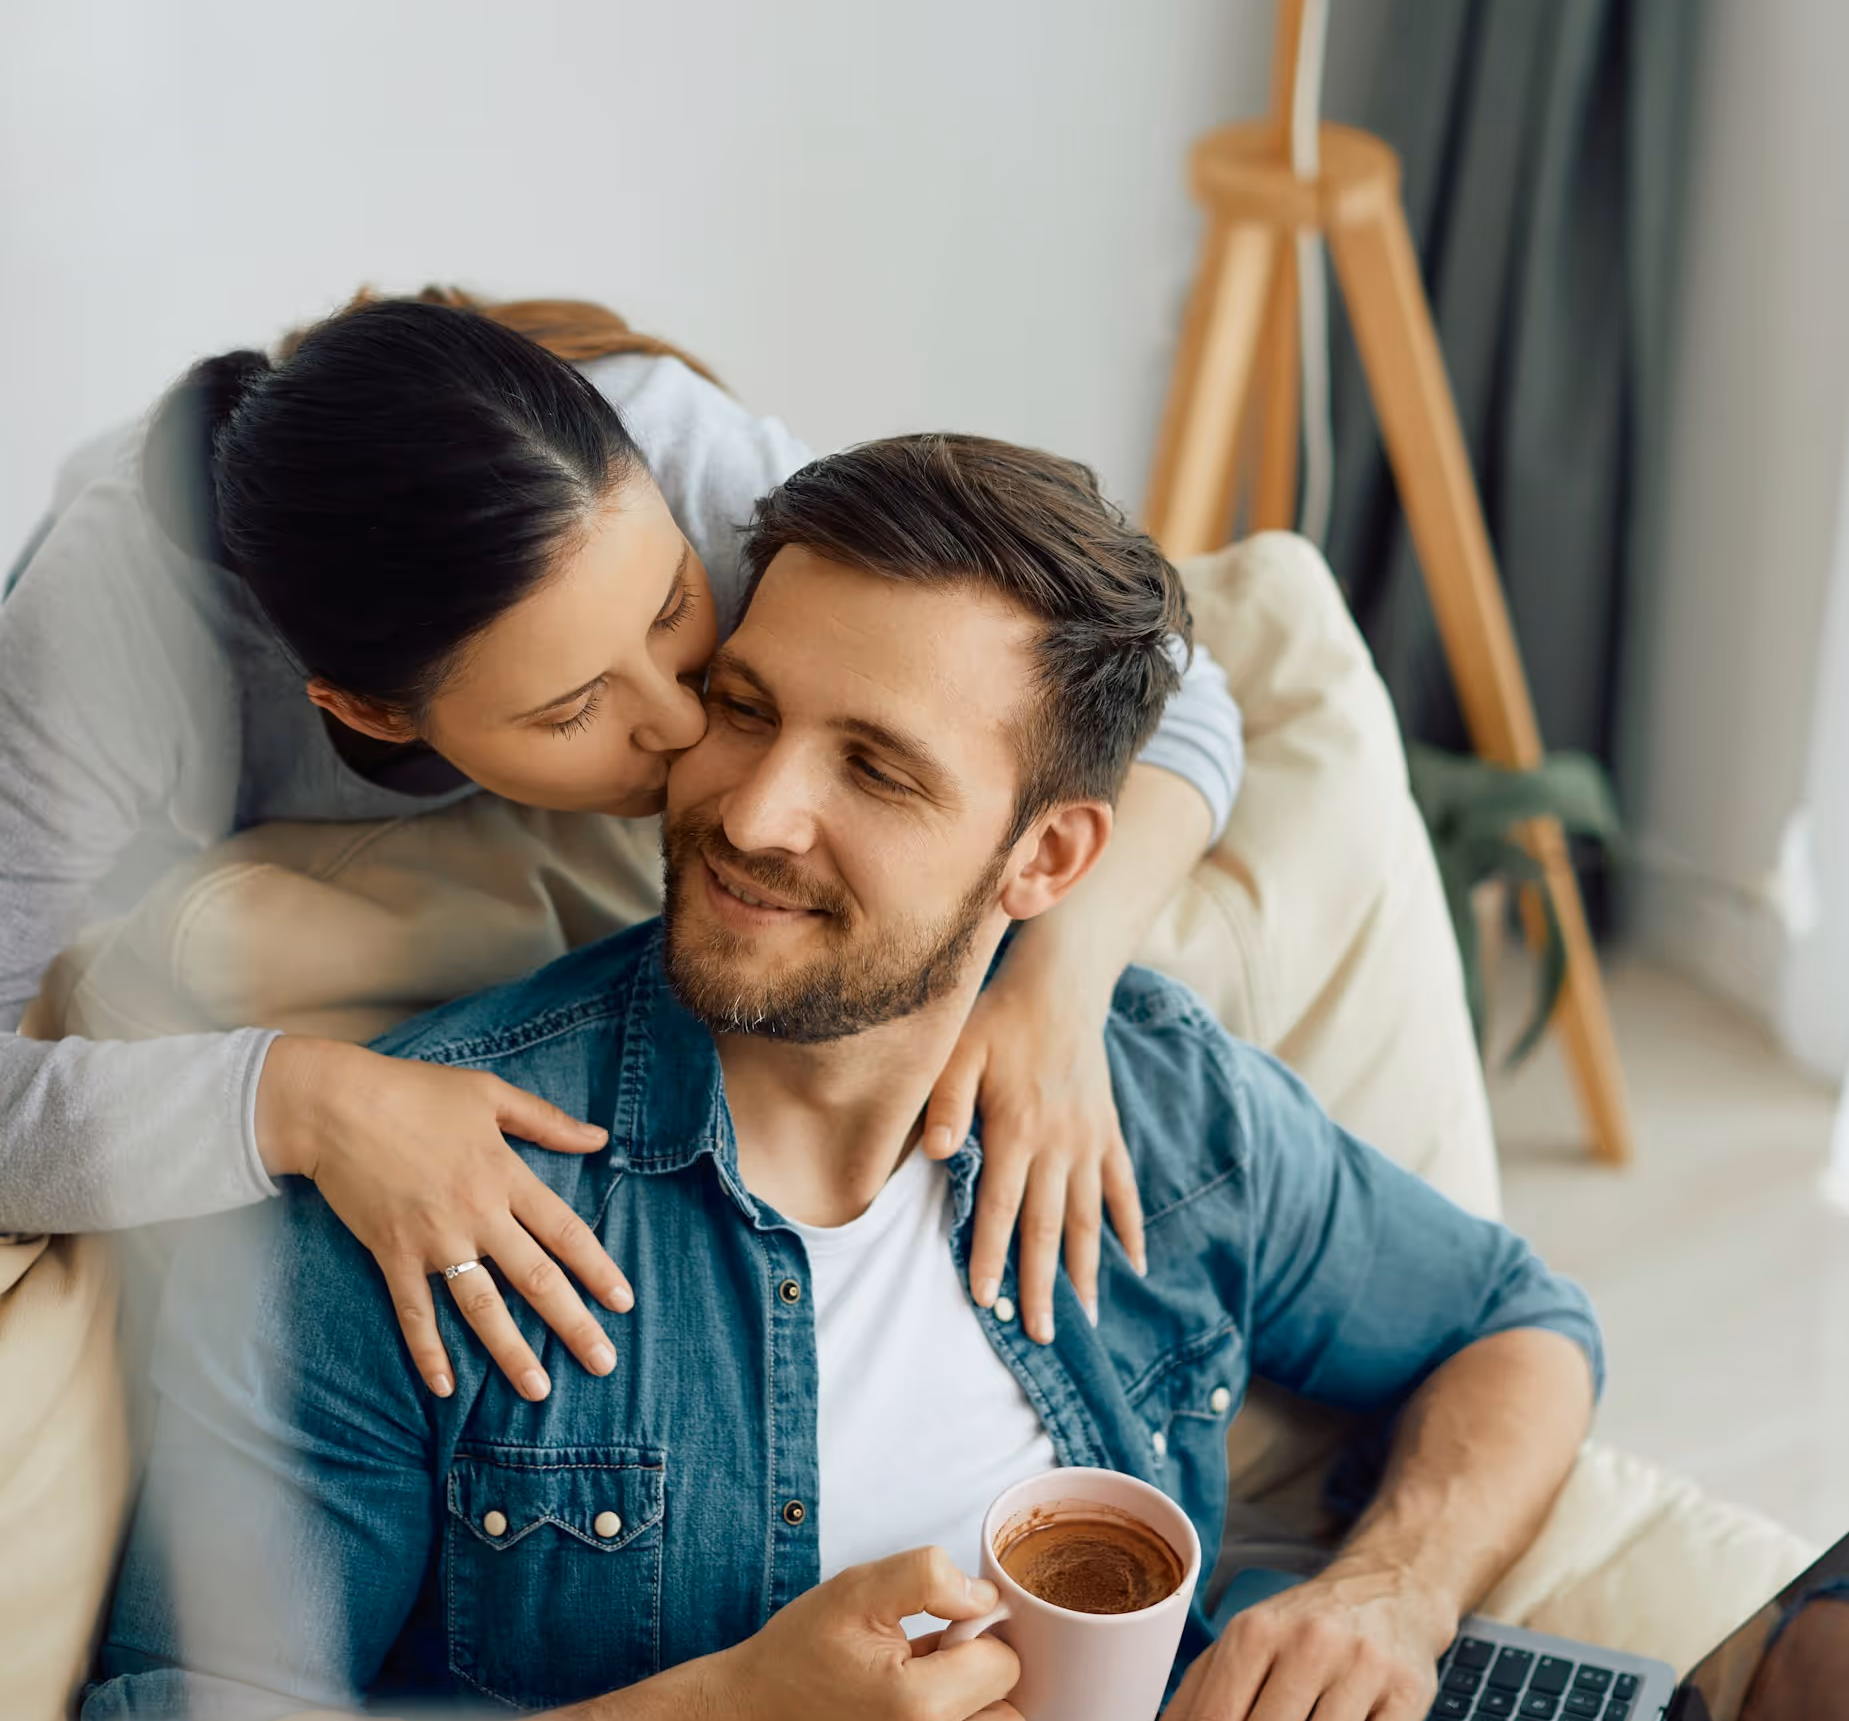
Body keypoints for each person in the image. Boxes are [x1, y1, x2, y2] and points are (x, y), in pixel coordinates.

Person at [87, 432, 1601, 1721]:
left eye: (878, 769)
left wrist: (1389, 1597)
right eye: (743, 706)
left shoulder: (1162, 1112)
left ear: (1048, 861)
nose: (753, 808)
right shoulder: (427, 1194)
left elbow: (1515, 1324)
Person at [0, 292, 1245, 1388]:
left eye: (671, 612)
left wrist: (1060, 997)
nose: (689, 718)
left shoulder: (661, 442)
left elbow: (1170, 691)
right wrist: (305, 1098)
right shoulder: (96, 664)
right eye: (573, 708)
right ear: (369, 710)